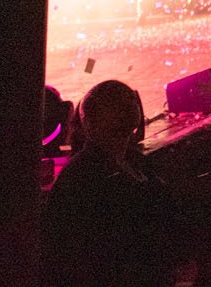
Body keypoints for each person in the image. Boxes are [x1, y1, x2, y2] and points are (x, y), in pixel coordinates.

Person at [39, 80, 183, 287]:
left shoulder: (130, 162)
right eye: (121, 102)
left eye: (128, 100)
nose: (129, 105)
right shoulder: (86, 176)